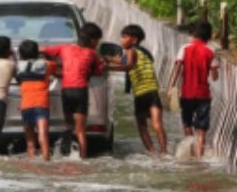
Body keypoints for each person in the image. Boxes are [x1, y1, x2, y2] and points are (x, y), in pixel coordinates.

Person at [43, 22, 106, 159]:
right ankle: (82, 158)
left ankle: (64, 152)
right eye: (97, 41)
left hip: (66, 91)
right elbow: (98, 70)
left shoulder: (64, 48)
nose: (97, 44)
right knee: (80, 130)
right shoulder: (92, 53)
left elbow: (44, 51)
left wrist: (53, 65)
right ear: (92, 41)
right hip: (81, 91)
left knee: (68, 125)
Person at [107, 24, 167, 155]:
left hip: (140, 94)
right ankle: (164, 152)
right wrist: (109, 59)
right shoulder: (144, 53)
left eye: (124, 36)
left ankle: (152, 151)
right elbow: (122, 61)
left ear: (133, 39)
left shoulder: (130, 51)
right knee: (157, 124)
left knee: (142, 125)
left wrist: (108, 67)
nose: (121, 39)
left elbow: (127, 65)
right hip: (152, 91)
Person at [169, 20, 220, 158]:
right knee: (201, 130)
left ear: (195, 33)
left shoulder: (184, 48)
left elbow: (177, 69)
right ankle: (199, 158)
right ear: (208, 35)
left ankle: (190, 152)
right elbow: (215, 77)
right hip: (203, 95)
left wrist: (171, 87)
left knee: (187, 126)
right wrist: (213, 69)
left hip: (186, 94)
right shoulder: (211, 51)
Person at [15, 39, 55, 161]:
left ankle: (31, 160)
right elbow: (53, 62)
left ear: (20, 54)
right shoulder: (47, 65)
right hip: (41, 104)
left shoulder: (19, 68)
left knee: (30, 139)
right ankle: (46, 159)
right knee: (42, 135)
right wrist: (43, 54)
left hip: (26, 106)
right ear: (37, 53)